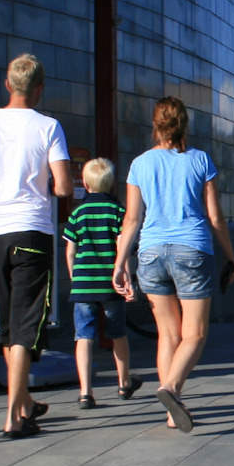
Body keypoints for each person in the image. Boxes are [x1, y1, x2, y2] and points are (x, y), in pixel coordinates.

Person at [0, 54, 71, 439]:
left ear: (7, 85)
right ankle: (14, 417)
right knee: (25, 325)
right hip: (32, 232)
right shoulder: (48, 126)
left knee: (8, 323)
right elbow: (63, 187)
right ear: (40, 88)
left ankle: (23, 403)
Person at [113, 96, 234, 433]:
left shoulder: (140, 163)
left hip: (150, 254)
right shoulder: (200, 160)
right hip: (191, 251)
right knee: (194, 334)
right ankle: (170, 389)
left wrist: (120, 263)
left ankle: (172, 412)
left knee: (168, 335)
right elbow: (215, 217)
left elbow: (131, 220)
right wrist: (230, 255)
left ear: (155, 124)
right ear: (184, 124)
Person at [63, 157, 138, 409]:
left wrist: (75, 278)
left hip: (84, 285)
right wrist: (127, 278)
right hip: (111, 284)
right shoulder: (117, 211)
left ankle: (85, 392)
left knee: (84, 336)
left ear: (85, 184)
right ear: (111, 184)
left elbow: (70, 251)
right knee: (118, 334)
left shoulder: (77, 213)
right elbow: (122, 248)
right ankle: (124, 383)